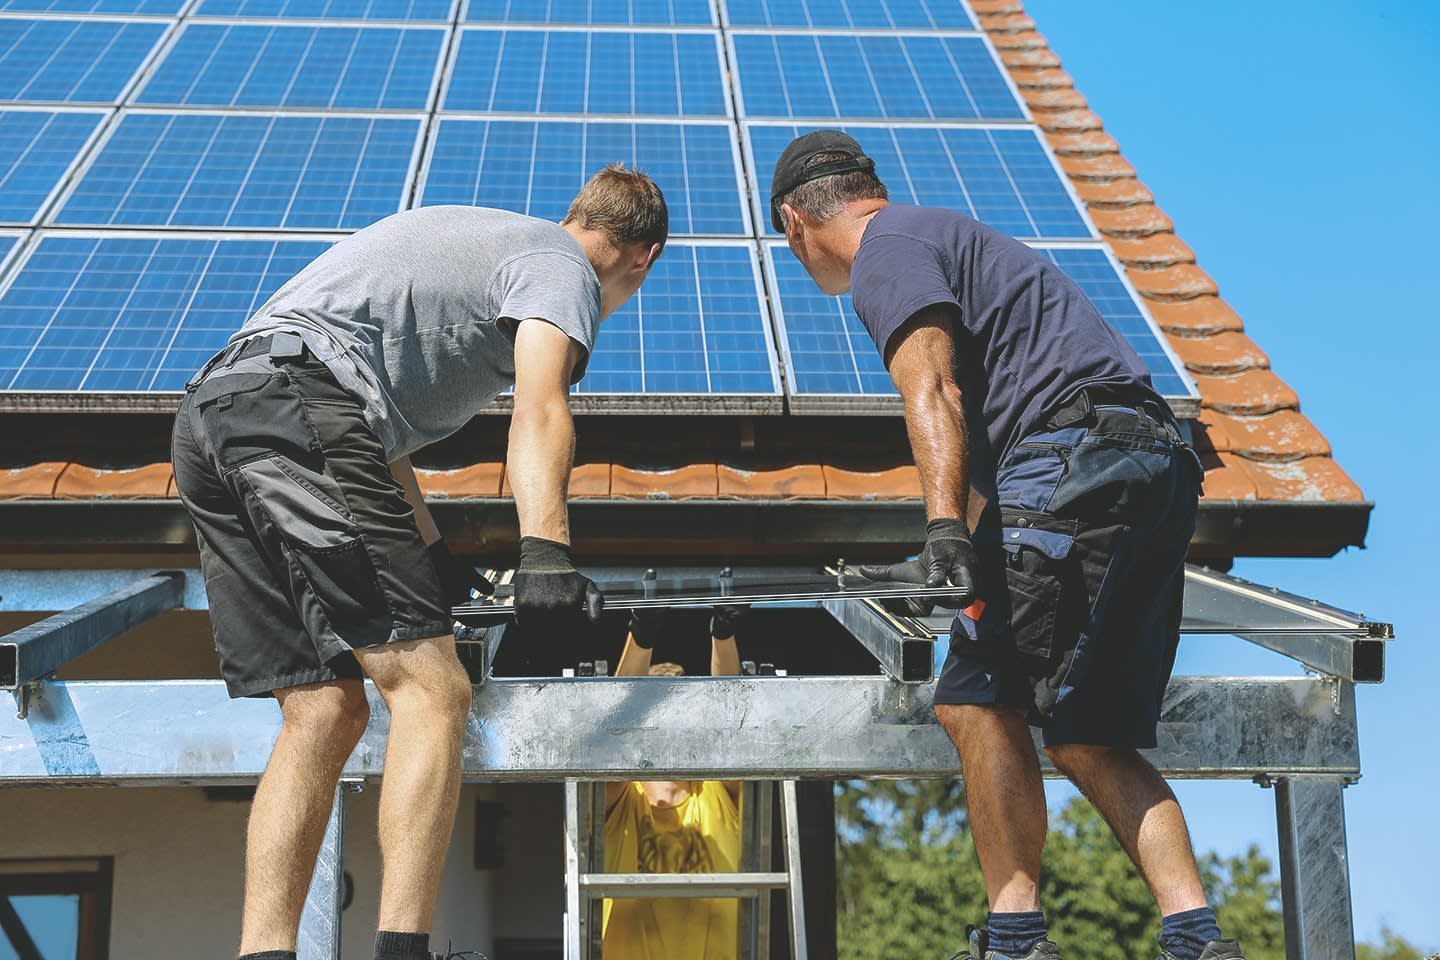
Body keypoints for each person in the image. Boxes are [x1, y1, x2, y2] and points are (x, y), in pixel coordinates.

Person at [170, 165, 667, 960]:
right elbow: (541, 406)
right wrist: (545, 552)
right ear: (639, 258)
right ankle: (402, 952)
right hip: (298, 408)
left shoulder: (483, 244)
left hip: (214, 416)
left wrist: (436, 559)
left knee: (323, 711)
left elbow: (372, 441)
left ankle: (264, 952)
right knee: (435, 691)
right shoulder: (563, 266)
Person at [769, 130, 1239, 960]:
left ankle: (1017, 939)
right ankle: (1197, 938)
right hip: (1152, 470)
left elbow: (934, 386)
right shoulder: (948, 237)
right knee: (1090, 733)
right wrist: (979, 537)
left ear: (793, 222)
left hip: (1073, 463)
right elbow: (996, 445)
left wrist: (945, 534)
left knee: (975, 699)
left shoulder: (890, 250)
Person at [601, 605, 747, 960]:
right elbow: (614, 736)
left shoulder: (717, 792)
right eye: (657, 714)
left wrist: (722, 635)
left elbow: (733, 726)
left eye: (681, 714)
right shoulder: (622, 796)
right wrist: (640, 637)